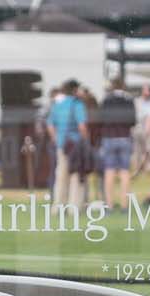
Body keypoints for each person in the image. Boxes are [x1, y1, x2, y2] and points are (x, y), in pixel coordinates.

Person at [46, 78, 88, 207]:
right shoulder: (78, 104)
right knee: (76, 176)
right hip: (75, 145)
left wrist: (55, 138)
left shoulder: (57, 104)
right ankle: (73, 207)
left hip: (61, 144)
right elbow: (82, 126)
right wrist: (85, 141)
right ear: (75, 90)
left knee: (60, 176)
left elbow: (50, 125)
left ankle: (58, 205)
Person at [99, 79, 136, 210]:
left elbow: (101, 119)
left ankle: (109, 205)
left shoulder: (106, 100)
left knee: (109, 171)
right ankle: (124, 205)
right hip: (124, 136)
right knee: (124, 172)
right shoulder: (129, 100)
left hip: (109, 137)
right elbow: (133, 120)